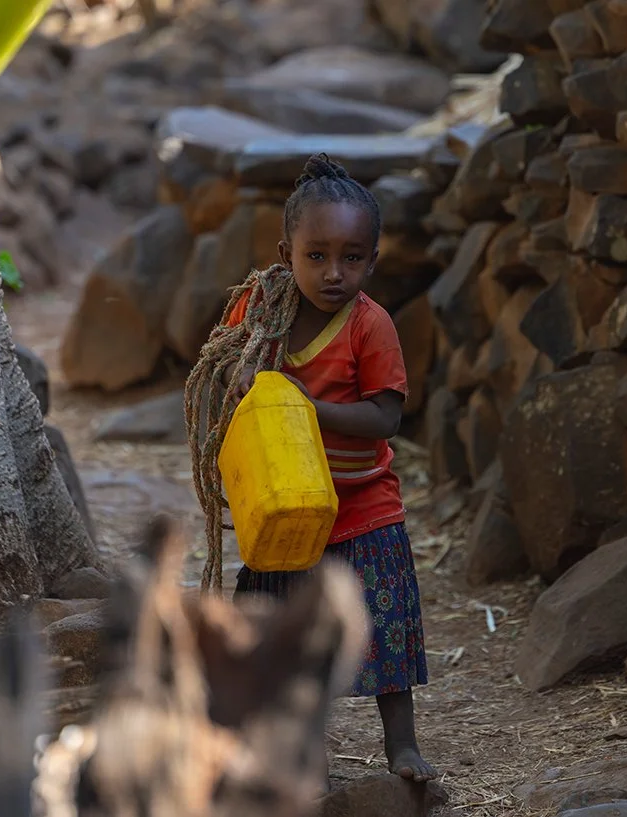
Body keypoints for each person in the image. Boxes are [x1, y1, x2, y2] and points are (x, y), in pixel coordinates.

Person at [187, 153, 435, 785]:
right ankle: (293, 746)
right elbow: (227, 376)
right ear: (285, 253)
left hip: (360, 507)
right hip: (284, 504)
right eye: (317, 255)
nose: (334, 273)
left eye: (353, 257)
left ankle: (401, 746)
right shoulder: (260, 313)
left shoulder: (370, 326)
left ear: (373, 261)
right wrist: (244, 384)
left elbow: (385, 419)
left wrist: (304, 405)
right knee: (273, 629)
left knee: (383, 624)